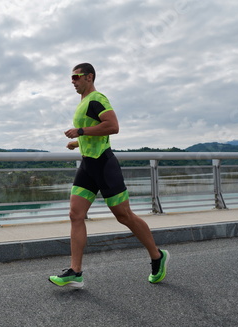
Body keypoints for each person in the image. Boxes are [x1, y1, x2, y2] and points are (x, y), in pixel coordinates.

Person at [48, 63, 169, 288]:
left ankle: (157, 256)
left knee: (124, 216)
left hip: (104, 164)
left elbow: (112, 126)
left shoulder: (98, 99)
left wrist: (81, 131)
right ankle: (75, 271)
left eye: (76, 77)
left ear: (89, 77)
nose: (72, 81)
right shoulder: (83, 103)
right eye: (71, 78)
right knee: (75, 214)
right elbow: (96, 130)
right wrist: (78, 141)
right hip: (87, 166)